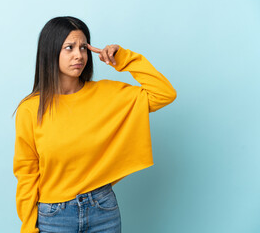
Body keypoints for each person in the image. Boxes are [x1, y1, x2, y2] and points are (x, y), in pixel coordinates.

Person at [12, 16, 177, 233]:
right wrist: (28, 228)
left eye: (83, 47)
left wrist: (124, 58)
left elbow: (164, 93)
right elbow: (27, 173)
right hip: (54, 216)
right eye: (69, 48)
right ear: (51, 51)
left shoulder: (107, 94)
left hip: (103, 210)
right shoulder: (31, 109)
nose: (78, 55)